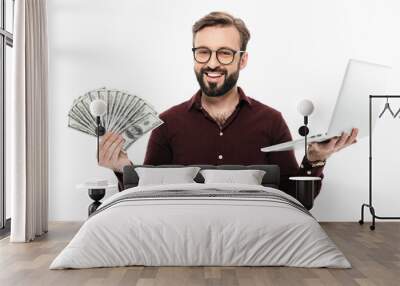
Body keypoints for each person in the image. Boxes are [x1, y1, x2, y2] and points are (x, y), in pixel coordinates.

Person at [98, 11, 358, 199]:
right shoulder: (167, 123)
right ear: (194, 57)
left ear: (242, 60)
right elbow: (148, 197)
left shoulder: (271, 120)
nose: (212, 63)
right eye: (203, 51)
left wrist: (314, 161)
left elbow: (296, 200)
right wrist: (122, 169)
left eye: (224, 52)